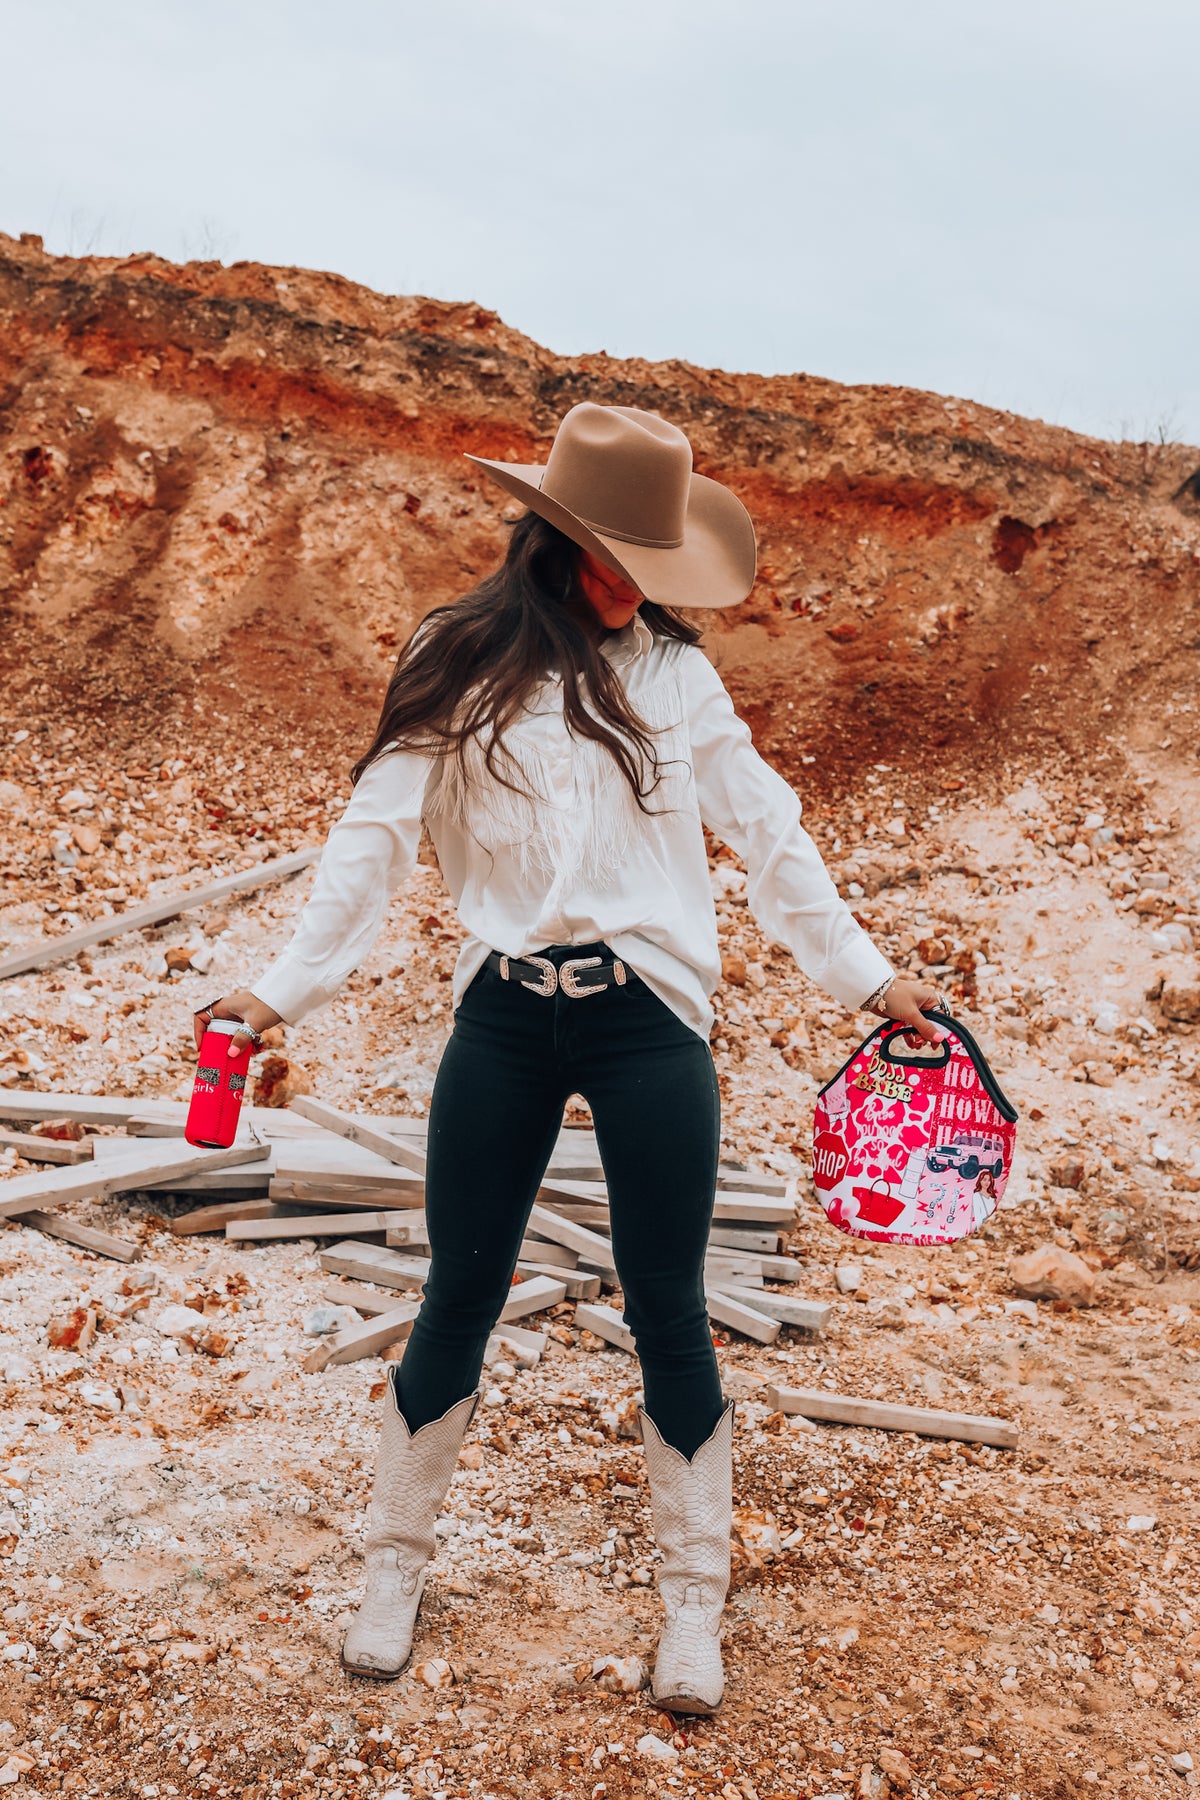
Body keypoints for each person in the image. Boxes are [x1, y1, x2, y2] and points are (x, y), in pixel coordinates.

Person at [194, 401, 941, 1714]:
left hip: (649, 1014)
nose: (633, 589)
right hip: (504, 1010)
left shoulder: (675, 676)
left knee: (667, 1303)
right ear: (552, 539)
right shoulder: (456, 656)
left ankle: (692, 1611)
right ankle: (392, 1570)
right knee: (459, 1294)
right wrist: (279, 993)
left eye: (652, 568)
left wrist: (869, 980)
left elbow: (769, 835)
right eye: (616, 559)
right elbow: (368, 840)